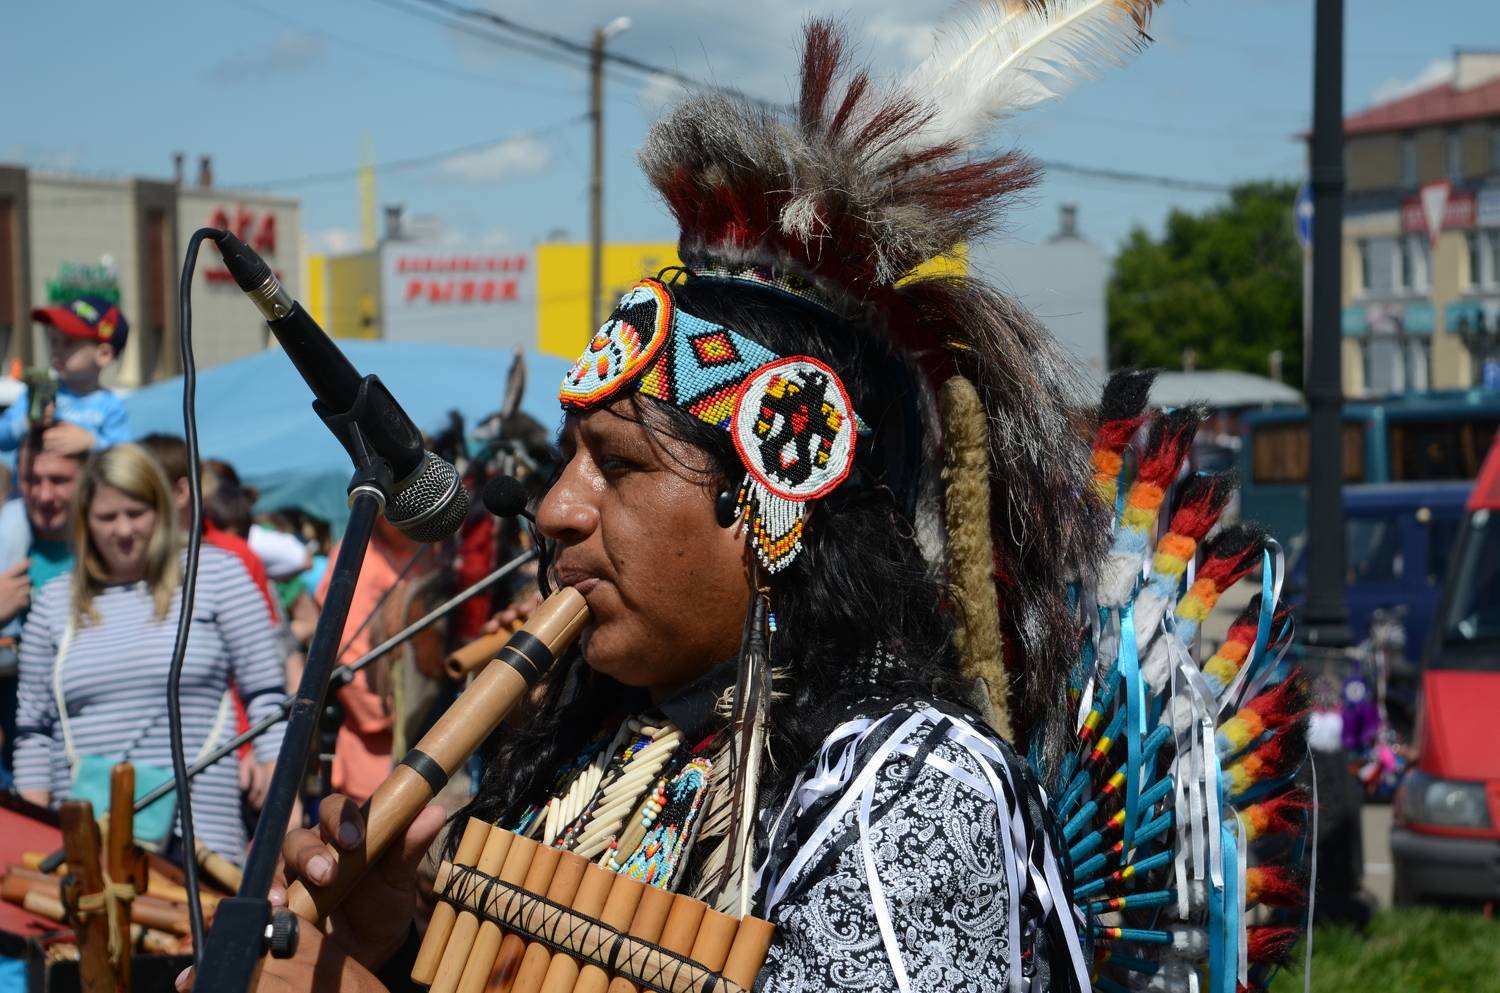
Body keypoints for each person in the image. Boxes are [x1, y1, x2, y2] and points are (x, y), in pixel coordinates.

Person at [189, 12, 1307, 993]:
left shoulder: (910, 791)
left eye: (619, 464)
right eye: (570, 460)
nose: (558, 509)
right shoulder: (598, 745)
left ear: (775, 496)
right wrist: (395, 943)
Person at [12, 444, 286, 862]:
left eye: (136, 513)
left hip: (200, 844)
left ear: (162, 509)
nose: (123, 530)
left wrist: (284, 810)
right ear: (84, 521)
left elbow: (267, 700)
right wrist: (35, 841)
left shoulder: (217, 575)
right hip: (84, 847)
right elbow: (33, 732)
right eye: (107, 517)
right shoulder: (52, 602)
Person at [0, 428, 87, 772]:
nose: (44, 494)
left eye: (59, 480)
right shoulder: (7, 542)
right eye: (31, 480)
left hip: (89, 753)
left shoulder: (113, 550)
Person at [0, 296, 131, 454]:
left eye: (68, 343)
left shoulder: (111, 406)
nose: (56, 351)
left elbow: (124, 455)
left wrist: (91, 442)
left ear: (103, 355)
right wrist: (27, 423)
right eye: (53, 340)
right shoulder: (40, 391)